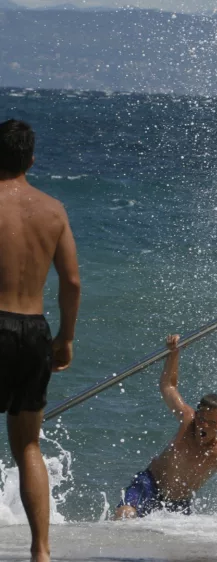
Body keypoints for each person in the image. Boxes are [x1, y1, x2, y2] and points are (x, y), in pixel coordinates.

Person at [0, 119, 81, 562]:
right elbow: (71, 281)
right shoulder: (53, 210)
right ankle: (42, 552)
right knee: (28, 444)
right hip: (33, 330)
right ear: (31, 160)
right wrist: (66, 337)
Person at [113, 334, 217, 519]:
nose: (204, 425)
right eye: (201, 419)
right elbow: (168, 386)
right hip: (149, 484)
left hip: (178, 505)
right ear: (196, 414)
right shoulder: (188, 419)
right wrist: (173, 353)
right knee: (125, 514)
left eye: (212, 423)